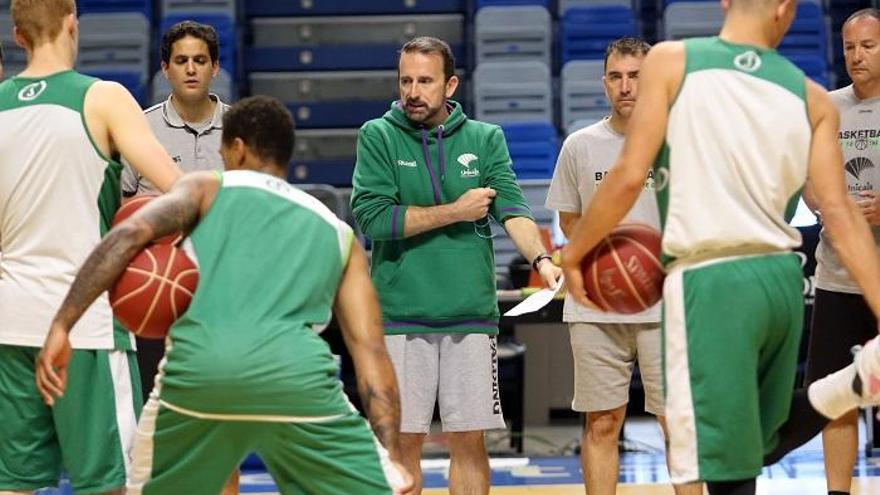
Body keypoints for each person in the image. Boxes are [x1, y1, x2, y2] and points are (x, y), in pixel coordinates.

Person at [558, 1, 880, 494]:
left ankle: (848, 386)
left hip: (710, 278)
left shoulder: (670, 61)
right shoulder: (812, 96)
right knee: (760, 442)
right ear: (787, 9)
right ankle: (850, 385)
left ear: (726, 2)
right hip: (780, 280)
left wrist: (574, 252)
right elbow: (840, 216)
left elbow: (626, 177)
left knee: (704, 460)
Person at [36, 95, 415, 495]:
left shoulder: (205, 186)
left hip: (198, 375)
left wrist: (63, 324)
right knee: (386, 487)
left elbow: (128, 235)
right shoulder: (338, 231)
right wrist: (391, 456)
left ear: (236, 148)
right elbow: (371, 351)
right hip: (295, 380)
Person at [351, 36, 562, 494]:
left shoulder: (485, 139)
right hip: (399, 316)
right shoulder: (378, 135)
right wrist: (455, 211)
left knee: (470, 443)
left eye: (424, 81)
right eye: (406, 80)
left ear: (450, 85)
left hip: (470, 314)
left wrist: (543, 261)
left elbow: (514, 210)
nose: (412, 91)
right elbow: (373, 219)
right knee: (402, 444)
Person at [0, 0, 180, 493]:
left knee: (12, 483)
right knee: (108, 484)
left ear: (18, 35)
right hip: (86, 325)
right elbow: (179, 189)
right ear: (73, 21)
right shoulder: (103, 98)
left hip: (10, 323)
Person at [546, 37, 701, 495]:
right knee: (601, 423)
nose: (626, 86)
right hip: (595, 306)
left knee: (676, 424)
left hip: (666, 304)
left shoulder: (680, 141)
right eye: (616, 76)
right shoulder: (580, 145)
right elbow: (569, 221)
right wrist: (611, 257)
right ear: (604, 83)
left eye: (636, 75)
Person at [805, 9, 880, 495]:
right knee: (836, 398)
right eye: (850, 46)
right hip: (836, 277)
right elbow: (805, 178)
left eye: (868, 46)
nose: (856, 55)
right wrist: (829, 207)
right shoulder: (827, 107)